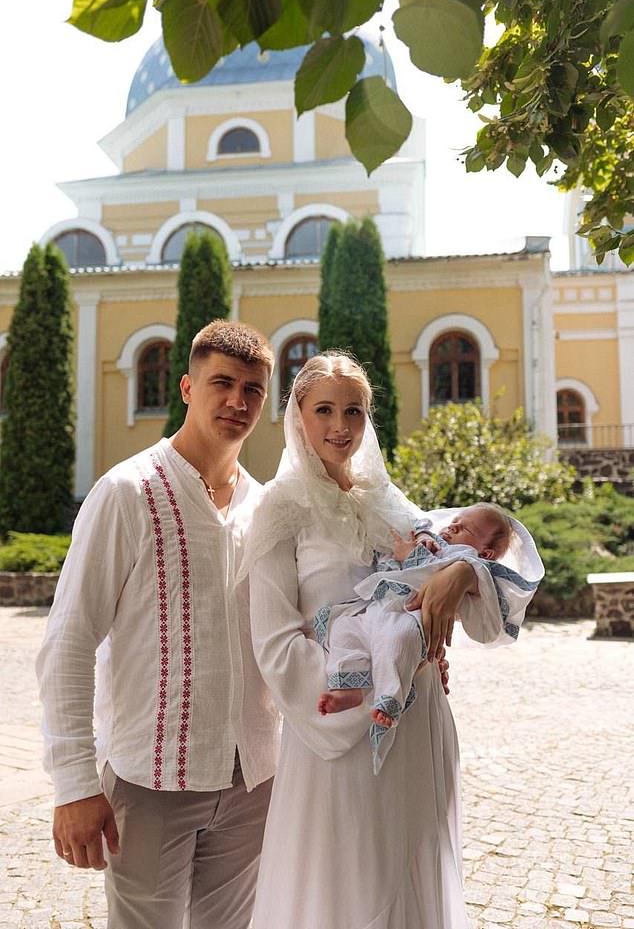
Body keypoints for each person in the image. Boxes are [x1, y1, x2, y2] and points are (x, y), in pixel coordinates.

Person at [243, 351, 544, 929]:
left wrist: (466, 573)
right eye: (324, 410)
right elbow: (275, 645)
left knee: (412, 879)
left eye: (353, 411)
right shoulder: (280, 511)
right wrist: (368, 689)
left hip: (420, 725)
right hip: (338, 733)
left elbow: (494, 554)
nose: (340, 426)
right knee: (348, 889)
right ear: (297, 416)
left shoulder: (389, 503)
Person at [36, 320, 280, 929]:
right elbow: (68, 641)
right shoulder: (125, 492)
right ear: (187, 388)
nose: (237, 401)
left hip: (253, 780)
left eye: (252, 389)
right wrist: (73, 783)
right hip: (149, 780)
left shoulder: (267, 507)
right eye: (221, 383)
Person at [316, 503, 542, 771]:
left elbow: (429, 574)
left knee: (398, 644)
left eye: (464, 528)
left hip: (407, 617)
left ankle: (390, 699)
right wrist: (421, 540)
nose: (453, 526)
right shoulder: (434, 541)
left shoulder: (465, 561)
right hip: (377, 608)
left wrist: (409, 555)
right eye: (455, 520)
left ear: (486, 552)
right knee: (343, 629)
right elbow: (416, 532)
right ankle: (348, 686)